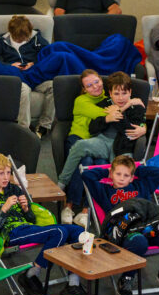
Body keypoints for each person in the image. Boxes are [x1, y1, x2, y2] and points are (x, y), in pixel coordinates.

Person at [0, 154, 86, 295]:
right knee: (59, 232)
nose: (6, 177)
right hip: (10, 233)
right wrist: (4, 209)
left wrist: (26, 209)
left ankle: (73, 283)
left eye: (8, 173)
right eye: (1, 173)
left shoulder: (14, 189)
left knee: (78, 230)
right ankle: (32, 273)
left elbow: (31, 219)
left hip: (26, 227)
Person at [82, 155, 159, 295]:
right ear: (112, 174)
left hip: (150, 228)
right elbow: (87, 176)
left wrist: (135, 170)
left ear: (132, 178)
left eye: (126, 175)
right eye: (118, 174)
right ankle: (127, 277)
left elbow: (158, 173)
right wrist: (107, 171)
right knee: (139, 242)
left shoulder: (141, 186)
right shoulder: (105, 191)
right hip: (125, 232)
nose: (121, 178)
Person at [58, 72, 147, 223]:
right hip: (102, 141)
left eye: (124, 93)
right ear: (110, 93)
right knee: (79, 146)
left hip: (122, 147)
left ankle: (116, 212)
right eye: (116, 94)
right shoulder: (104, 103)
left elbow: (127, 128)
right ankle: (61, 183)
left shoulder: (136, 107)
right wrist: (106, 118)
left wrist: (126, 112)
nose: (120, 97)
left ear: (130, 92)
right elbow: (93, 127)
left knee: (122, 174)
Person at [0, 15, 55, 137]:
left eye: (25, 38)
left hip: (36, 75)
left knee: (53, 86)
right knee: (24, 90)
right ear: (11, 33)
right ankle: (24, 129)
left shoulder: (37, 38)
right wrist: (10, 65)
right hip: (18, 77)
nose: (22, 41)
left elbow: (49, 54)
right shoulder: (2, 42)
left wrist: (33, 63)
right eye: (18, 39)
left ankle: (44, 126)